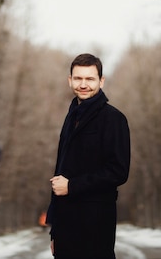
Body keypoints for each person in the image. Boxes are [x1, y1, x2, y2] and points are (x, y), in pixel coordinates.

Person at [47, 53, 130, 259]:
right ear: (70, 80)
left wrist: (71, 186)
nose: (83, 84)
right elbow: (61, 169)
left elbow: (118, 171)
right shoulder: (71, 116)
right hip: (66, 227)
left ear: (101, 81)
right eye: (78, 78)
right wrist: (55, 233)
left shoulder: (114, 119)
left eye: (90, 79)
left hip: (95, 226)